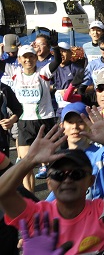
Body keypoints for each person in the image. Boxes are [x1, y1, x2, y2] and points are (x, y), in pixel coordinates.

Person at [0, 105, 104, 255]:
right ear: (48, 183)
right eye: (59, 175)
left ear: (91, 180)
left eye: (76, 174)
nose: (67, 180)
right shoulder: (38, 216)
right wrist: (29, 160)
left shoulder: (103, 212)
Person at [0, 41, 62, 190]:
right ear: (19, 60)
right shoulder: (14, 71)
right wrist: (1, 50)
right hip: (24, 122)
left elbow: (58, 61)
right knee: (25, 165)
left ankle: (55, 198)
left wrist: (55, 47)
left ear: (36, 57)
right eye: (24, 58)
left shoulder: (43, 71)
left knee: (51, 165)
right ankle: (32, 202)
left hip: (45, 119)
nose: (28, 60)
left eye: (31, 57)